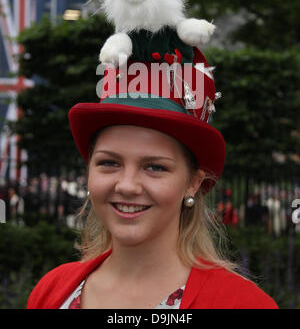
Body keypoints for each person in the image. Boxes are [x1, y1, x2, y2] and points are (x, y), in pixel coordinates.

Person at [26, 44, 278, 309]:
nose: (127, 185)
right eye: (109, 162)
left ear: (193, 183)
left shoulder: (243, 305)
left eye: (155, 167)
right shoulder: (50, 291)